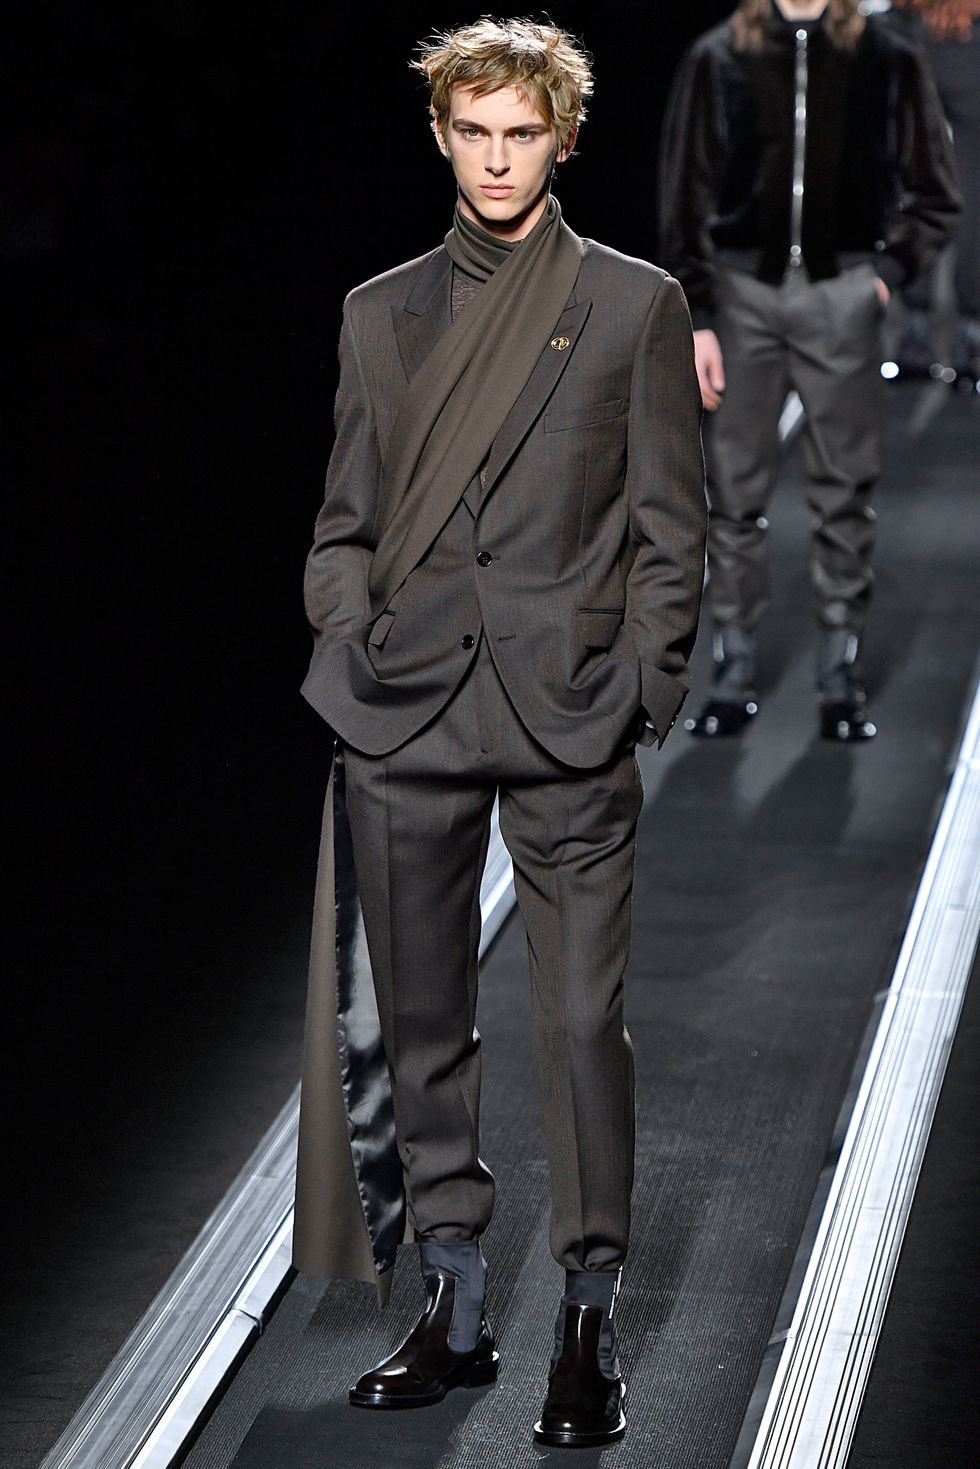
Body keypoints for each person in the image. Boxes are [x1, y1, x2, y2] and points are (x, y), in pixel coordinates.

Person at [292, 18, 706, 1450]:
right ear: (440, 135)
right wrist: (346, 636)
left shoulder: (633, 305)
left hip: (566, 706)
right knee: (419, 1021)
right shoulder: (378, 313)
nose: (495, 160)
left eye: (520, 134)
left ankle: (588, 1313)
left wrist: (641, 679)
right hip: (407, 706)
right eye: (471, 132)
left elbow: (670, 525)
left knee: (581, 1020)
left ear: (563, 139)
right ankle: (455, 1300)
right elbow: (344, 521)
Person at [660, 0, 961, 740]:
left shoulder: (887, 57)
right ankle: (731, 673)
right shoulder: (718, 56)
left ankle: (839, 677)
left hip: (842, 295)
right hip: (742, 297)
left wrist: (883, 278)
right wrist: (699, 314)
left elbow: (935, 188)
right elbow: (684, 189)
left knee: (845, 491)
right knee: (732, 494)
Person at [891, 0, 980, 382]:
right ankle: (965, 330)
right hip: (954, 31)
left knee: (918, 171)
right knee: (963, 177)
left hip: (924, 27)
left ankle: (919, 326)